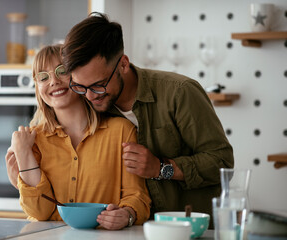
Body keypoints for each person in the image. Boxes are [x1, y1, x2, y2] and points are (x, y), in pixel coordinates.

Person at [60, 12, 234, 223]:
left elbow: (222, 162)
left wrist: (161, 168)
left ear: (123, 64)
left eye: (98, 85)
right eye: (80, 86)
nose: (89, 96)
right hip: (126, 232)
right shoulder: (88, 104)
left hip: (191, 229)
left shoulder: (180, 92)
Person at [7, 44, 151, 230]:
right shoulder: (32, 141)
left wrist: (127, 215)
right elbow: (39, 213)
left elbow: (137, 196)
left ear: (78, 77)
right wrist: (24, 154)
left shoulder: (122, 131)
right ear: (38, 87)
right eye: (43, 76)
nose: (53, 81)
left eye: (62, 71)